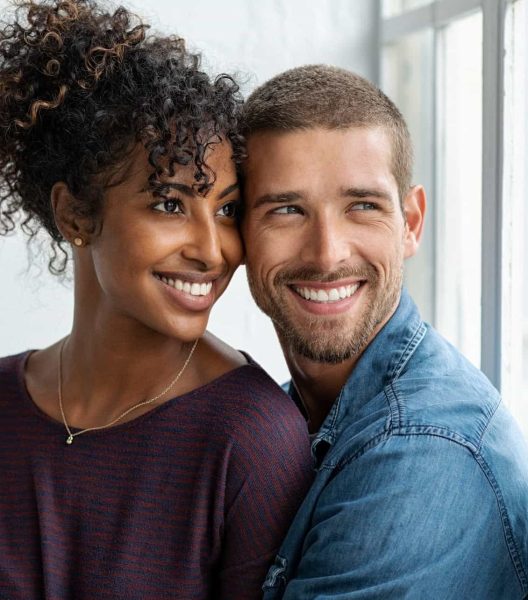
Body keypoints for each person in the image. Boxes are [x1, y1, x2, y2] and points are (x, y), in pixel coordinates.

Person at [0, 2, 313, 598]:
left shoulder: (252, 442)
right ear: (76, 213)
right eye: (170, 204)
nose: (212, 249)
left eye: (224, 209)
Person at [240, 65, 528, 599]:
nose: (327, 253)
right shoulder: (291, 414)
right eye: (287, 210)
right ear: (237, 229)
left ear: (410, 221)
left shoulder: (424, 451)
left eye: (363, 206)